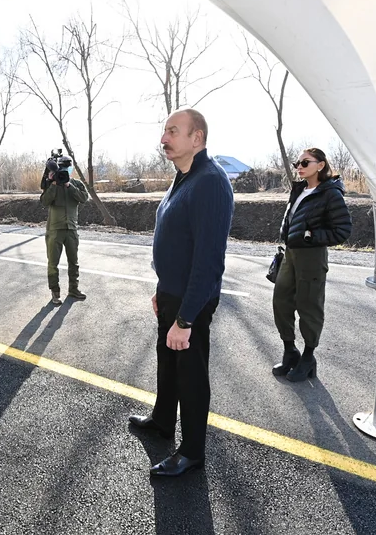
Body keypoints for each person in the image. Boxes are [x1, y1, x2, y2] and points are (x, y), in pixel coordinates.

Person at [128, 109, 233, 477]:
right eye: (164, 132)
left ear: (197, 138)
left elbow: (208, 262)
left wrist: (185, 319)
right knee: (167, 364)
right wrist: (162, 289)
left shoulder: (210, 183)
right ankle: (161, 420)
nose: (164, 139)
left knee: (190, 375)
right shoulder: (183, 176)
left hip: (192, 302)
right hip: (171, 294)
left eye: (173, 131)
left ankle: (191, 452)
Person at [272, 148, 351, 382]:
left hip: (312, 257)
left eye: (305, 162)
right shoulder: (299, 190)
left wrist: (309, 237)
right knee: (281, 301)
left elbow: (342, 231)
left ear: (321, 165)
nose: (299, 166)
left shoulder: (330, 194)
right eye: (298, 162)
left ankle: (308, 357)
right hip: (291, 254)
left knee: (309, 306)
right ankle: (290, 351)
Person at [40, 153, 89, 305]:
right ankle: (55, 292)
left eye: (68, 167)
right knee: (53, 263)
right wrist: (53, 183)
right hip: (55, 230)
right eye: (64, 167)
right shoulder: (51, 184)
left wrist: (69, 185)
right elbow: (44, 201)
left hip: (71, 229)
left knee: (73, 262)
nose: (66, 170)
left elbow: (84, 198)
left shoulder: (76, 183)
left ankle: (74, 289)